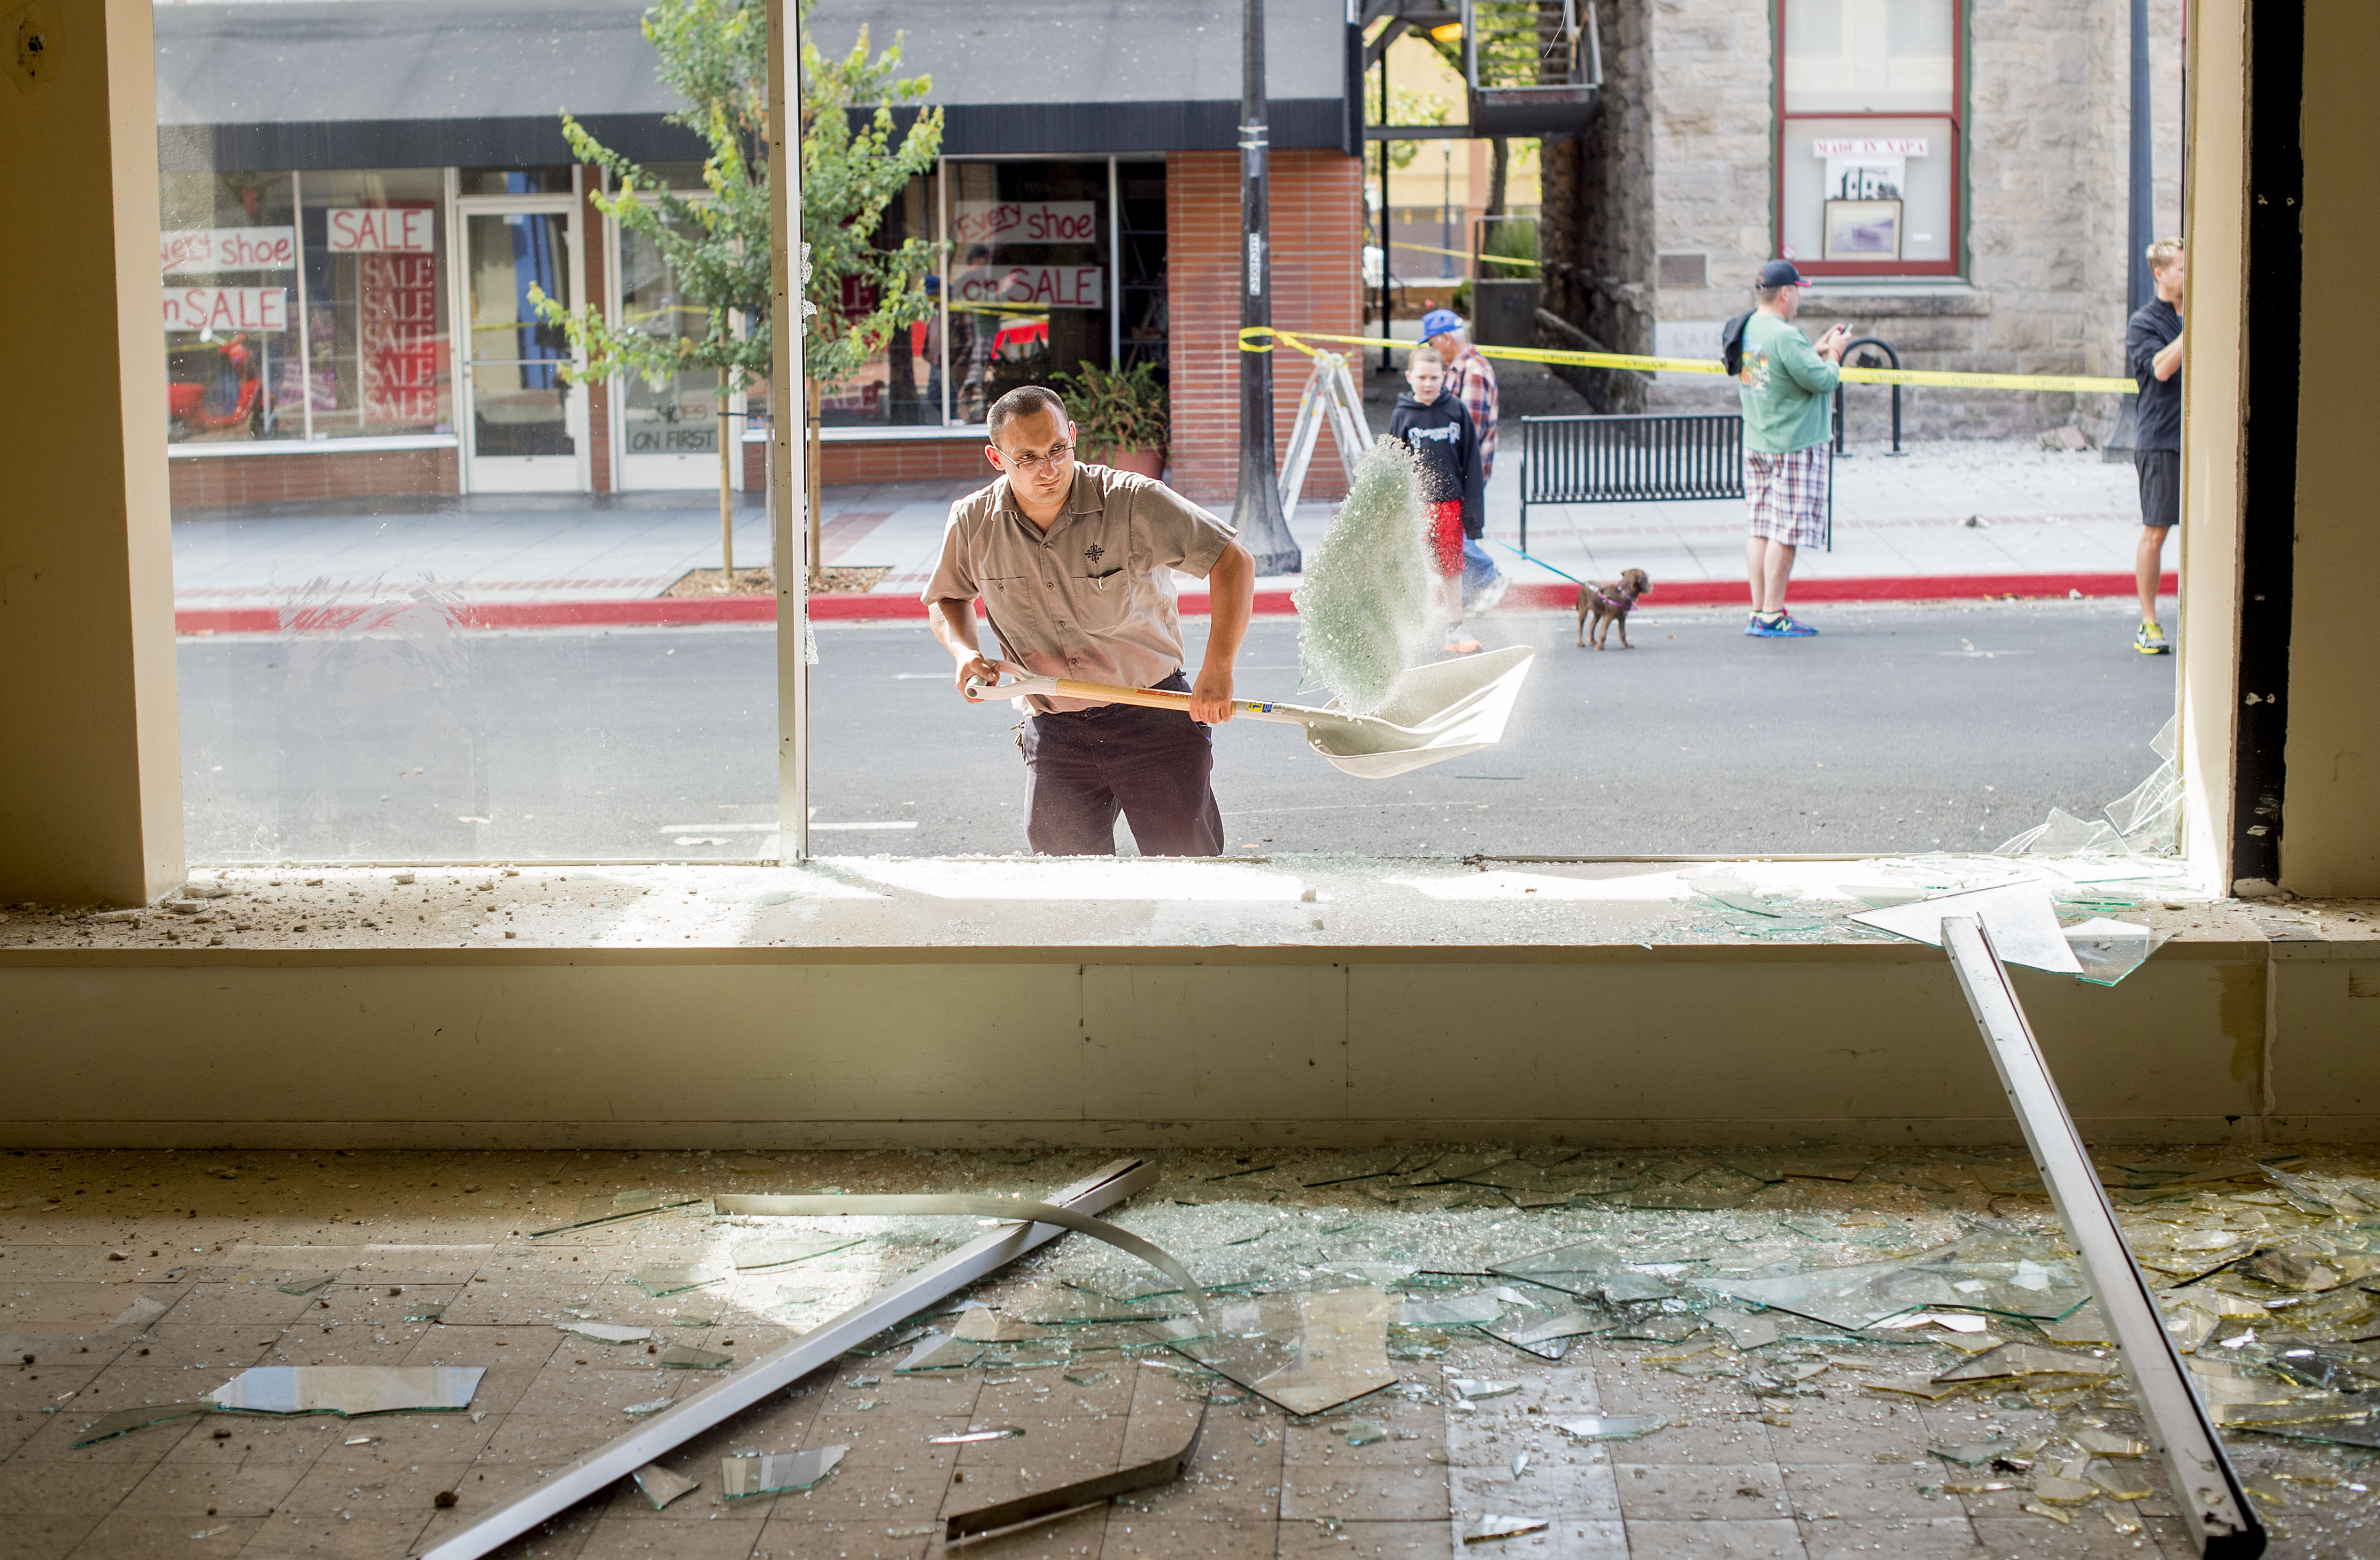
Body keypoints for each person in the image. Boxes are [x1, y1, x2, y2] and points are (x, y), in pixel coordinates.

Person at [926, 384, 1255, 857]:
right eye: (1028, 457)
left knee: (1189, 881)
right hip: (1055, 730)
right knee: (1069, 891)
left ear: (1073, 434)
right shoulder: (972, 520)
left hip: (1154, 717)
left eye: (1059, 449)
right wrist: (964, 652)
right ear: (996, 458)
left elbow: (1233, 562)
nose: (1049, 468)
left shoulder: (1134, 501)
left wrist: (1218, 668)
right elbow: (947, 595)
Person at [1735, 259, 1849, 638]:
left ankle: (1758, 610)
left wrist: (1813, 348)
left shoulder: (1750, 327)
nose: (1798, 296)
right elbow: (1824, 381)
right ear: (1786, 293)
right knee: (1785, 530)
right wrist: (1835, 352)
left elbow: (1774, 373)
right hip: (1794, 444)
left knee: (1760, 528)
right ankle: (1772, 615)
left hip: (1758, 439)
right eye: (1797, 289)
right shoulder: (1786, 334)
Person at [1389, 343, 1487, 655]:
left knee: (1451, 567)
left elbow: (1471, 461)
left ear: (1444, 376)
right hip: (1416, 506)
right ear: (1409, 377)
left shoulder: (1455, 410)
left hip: (1450, 503)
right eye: (1421, 378)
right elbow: (1393, 466)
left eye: (1434, 377)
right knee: (1411, 567)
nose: (1428, 384)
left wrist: (1474, 517)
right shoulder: (1403, 415)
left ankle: (1455, 628)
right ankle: (1408, 630)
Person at [2126, 237, 2185, 654]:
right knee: (2156, 530)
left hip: (2196, 438)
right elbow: (2162, 369)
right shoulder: (2144, 323)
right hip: (2160, 438)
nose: (2189, 276)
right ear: (2160, 273)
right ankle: (2149, 622)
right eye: (2183, 269)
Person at [1420, 308, 1500, 480]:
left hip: (1464, 475)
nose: (1432, 350)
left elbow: (1470, 433)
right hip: (1457, 472)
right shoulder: (1460, 369)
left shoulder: (1473, 372)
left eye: (1432, 344)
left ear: (1447, 339)